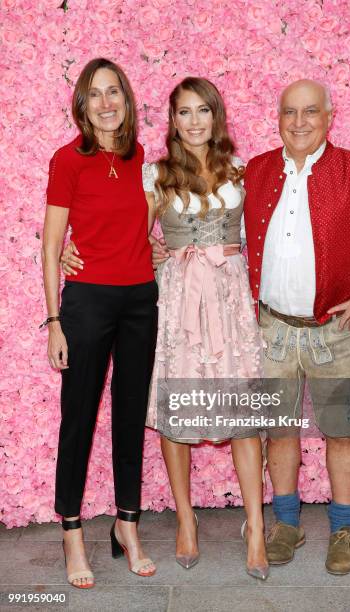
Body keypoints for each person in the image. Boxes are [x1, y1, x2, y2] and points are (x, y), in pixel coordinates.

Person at [61, 77, 269, 581]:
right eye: (184, 113)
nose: (194, 122)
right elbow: (125, 230)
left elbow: (260, 232)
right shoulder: (155, 176)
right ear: (172, 121)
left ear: (216, 117)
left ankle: (257, 529)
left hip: (229, 303)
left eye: (203, 111)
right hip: (177, 302)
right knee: (177, 410)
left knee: (242, 412)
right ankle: (185, 520)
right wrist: (73, 249)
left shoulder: (244, 171)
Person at [243, 79, 350, 575]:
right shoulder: (255, 170)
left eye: (310, 111)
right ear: (278, 117)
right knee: (280, 431)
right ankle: (287, 524)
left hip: (334, 332)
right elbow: (215, 226)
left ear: (329, 115)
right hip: (272, 329)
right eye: (290, 112)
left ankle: (341, 530)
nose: (299, 122)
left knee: (340, 433)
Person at [41, 58, 158, 588]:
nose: (107, 102)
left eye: (115, 92)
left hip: (140, 300)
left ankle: (127, 525)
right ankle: (70, 531)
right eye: (95, 94)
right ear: (82, 106)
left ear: (127, 101)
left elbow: (147, 223)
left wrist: (153, 245)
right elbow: (51, 246)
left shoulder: (142, 161)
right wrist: (54, 320)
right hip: (86, 303)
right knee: (79, 417)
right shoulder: (67, 161)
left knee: (131, 415)